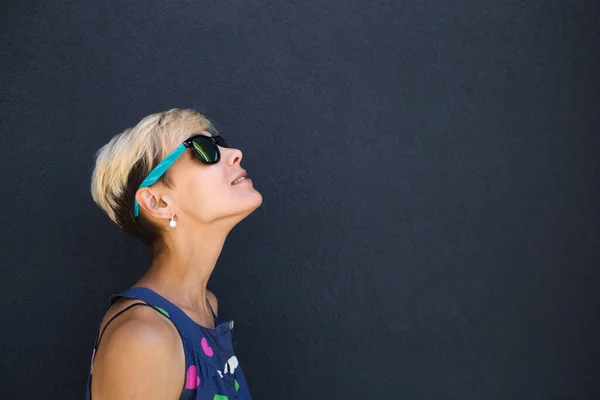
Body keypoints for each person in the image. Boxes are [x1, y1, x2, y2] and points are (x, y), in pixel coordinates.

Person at [86, 108, 262, 399]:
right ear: (157, 201)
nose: (235, 153)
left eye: (219, 142)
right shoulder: (143, 338)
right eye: (204, 149)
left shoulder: (206, 307)